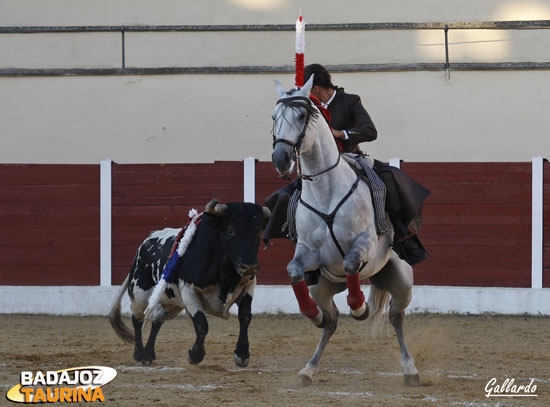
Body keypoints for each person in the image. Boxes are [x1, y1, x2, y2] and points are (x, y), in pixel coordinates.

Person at [303, 64, 429, 265]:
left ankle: (401, 234)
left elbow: (370, 131)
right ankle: (295, 234)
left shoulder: (350, 101)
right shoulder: (310, 105)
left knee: (386, 180)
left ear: (316, 88)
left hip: (351, 157)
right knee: (291, 194)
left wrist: (341, 134)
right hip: (322, 165)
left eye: (308, 89)